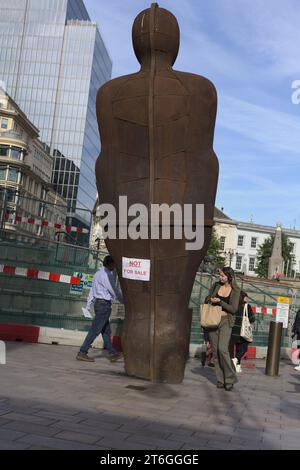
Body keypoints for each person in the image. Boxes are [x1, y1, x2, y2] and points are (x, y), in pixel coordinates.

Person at [76, 255, 124, 363]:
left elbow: (92, 290)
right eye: (114, 264)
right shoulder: (107, 275)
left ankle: (113, 353)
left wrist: (88, 305)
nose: (115, 266)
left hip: (98, 304)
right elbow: (113, 290)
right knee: (95, 330)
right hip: (104, 305)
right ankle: (82, 352)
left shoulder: (98, 274)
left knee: (106, 331)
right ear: (110, 264)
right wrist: (124, 300)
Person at [206, 267, 241, 391]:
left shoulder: (236, 290)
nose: (220, 278)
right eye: (220, 275)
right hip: (213, 321)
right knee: (215, 351)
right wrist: (211, 299)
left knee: (222, 349)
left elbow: (233, 309)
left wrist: (220, 302)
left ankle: (230, 379)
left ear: (229, 277)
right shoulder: (215, 285)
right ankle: (221, 379)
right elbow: (207, 299)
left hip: (226, 321)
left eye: (223, 276)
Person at [229, 291, 255, 373]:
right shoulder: (247, 306)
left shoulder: (234, 305)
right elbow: (252, 319)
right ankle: (236, 359)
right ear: (243, 297)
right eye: (245, 297)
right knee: (244, 349)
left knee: (237, 349)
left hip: (234, 331)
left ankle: (238, 366)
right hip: (243, 331)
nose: (246, 298)